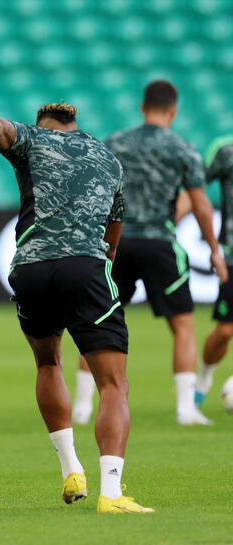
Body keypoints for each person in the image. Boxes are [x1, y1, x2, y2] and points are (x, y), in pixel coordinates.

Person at [0, 90, 153, 514]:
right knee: (113, 384)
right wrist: (101, 265)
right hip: (85, 267)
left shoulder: (32, 140)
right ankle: (111, 494)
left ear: (42, 124)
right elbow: (115, 228)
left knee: (46, 362)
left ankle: (70, 467)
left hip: (31, 269)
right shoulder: (107, 157)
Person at [71, 80, 227, 426]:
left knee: (97, 321)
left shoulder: (115, 143)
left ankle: (82, 405)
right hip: (160, 243)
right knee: (183, 324)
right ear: (173, 110)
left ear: (143, 107)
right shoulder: (182, 148)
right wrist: (214, 249)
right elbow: (201, 204)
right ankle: (186, 409)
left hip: (118, 241)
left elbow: (95, 191)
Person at [197, 135, 233, 405]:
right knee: (225, 330)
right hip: (232, 255)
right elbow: (195, 188)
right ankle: (204, 378)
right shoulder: (224, 149)